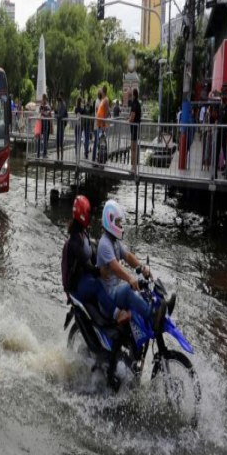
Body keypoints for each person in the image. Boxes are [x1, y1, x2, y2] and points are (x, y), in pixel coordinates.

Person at [96, 199, 167, 389]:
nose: (120, 225)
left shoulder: (114, 241)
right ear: (110, 221)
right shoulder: (104, 244)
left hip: (116, 289)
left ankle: (135, 352)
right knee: (129, 290)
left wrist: (142, 268)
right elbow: (116, 267)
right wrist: (130, 278)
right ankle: (153, 316)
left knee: (141, 292)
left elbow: (127, 256)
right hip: (109, 294)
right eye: (118, 222)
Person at [62, 195, 131, 327]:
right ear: (82, 214)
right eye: (88, 212)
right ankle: (117, 314)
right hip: (77, 284)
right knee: (98, 286)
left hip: (84, 277)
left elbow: (93, 254)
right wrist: (99, 271)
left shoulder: (84, 232)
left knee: (106, 282)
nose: (90, 216)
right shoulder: (74, 241)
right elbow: (86, 264)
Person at [93, 86, 110, 165]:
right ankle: (100, 159)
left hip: (102, 126)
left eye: (101, 91)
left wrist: (103, 123)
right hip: (100, 125)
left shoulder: (106, 100)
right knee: (101, 143)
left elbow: (106, 113)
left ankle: (102, 159)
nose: (101, 92)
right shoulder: (103, 100)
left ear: (103, 92)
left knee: (102, 143)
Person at [129, 88, 141, 174]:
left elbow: (132, 117)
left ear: (133, 94)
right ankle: (134, 166)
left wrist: (128, 120)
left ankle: (133, 167)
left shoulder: (134, 104)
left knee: (133, 148)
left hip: (134, 128)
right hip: (137, 127)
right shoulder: (138, 103)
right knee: (135, 147)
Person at [55, 92, 68, 161]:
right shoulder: (58, 103)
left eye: (60, 95)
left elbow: (61, 115)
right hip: (58, 124)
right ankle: (57, 157)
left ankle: (62, 158)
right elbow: (56, 112)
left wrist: (57, 116)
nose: (58, 97)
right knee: (57, 141)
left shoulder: (63, 104)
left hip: (61, 124)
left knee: (61, 141)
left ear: (62, 96)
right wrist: (56, 114)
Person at [39, 94, 52, 158]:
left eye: (44, 98)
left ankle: (44, 152)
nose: (43, 100)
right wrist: (44, 113)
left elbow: (48, 113)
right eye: (43, 98)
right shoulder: (43, 106)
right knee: (44, 139)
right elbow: (45, 113)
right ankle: (44, 153)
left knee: (46, 139)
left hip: (46, 124)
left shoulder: (47, 106)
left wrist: (43, 112)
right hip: (44, 124)